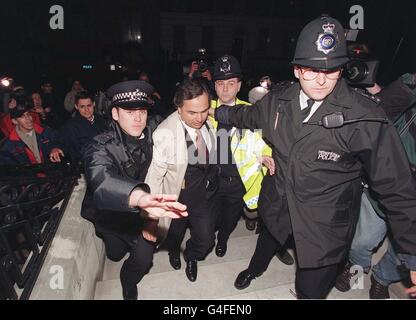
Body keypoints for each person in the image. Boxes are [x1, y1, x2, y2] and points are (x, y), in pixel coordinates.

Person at [211, 14, 416, 299]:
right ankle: (255, 269)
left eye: (331, 70)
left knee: (310, 291)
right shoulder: (276, 102)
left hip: (324, 225)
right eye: (310, 69)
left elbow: (396, 187)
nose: (321, 79)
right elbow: (246, 115)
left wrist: (412, 252)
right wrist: (217, 112)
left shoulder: (364, 117)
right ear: (296, 70)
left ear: (341, 70)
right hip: (278, 204)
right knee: (265, 245)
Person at [83, 80, 188, 300]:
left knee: (142, 260)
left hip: (144, 216)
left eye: (141, 111)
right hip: (112, 215)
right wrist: (138, 197)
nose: (138, 118)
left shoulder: (156, 128)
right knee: (114, 253)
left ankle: (128, 282)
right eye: (130, 112)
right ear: (114, 114)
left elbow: (182, 120)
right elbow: (101, 179)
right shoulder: (100, 145)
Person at [335, 73, 416, 299]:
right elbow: (387, 103)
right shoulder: (409, 98)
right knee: (362, 241)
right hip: (388, 186)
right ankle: (357, 270)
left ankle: (381, 279)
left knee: (404, 252)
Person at [208, 54, 293, 264]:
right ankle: (210, 238)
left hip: (238, 181)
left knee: (229, 220)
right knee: (209, 222)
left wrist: (267, 154)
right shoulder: (202, 108)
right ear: (214, 86)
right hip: (210, 180)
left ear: (239, 86)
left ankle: (223, 241)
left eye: (231, 83)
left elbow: (267, 139)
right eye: (220, 83)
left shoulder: (251, 111)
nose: (225, 89)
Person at [145, 79, 218, 282]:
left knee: (206, 240)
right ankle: (173, 251)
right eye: (192, 113)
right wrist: (151, 217)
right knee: (174, 234)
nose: (199, 118)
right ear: (178, 108)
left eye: (204, 110)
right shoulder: (164, 134)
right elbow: (155, 178)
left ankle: (191, 256)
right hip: (177, 197)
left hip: (202, 195)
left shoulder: (208, 123)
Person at [60, 90, 107, 165]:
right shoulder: (70, 127)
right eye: (82, 107)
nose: (86, 110)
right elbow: (73, 154)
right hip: (86, 167)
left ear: (94, 104)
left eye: (89, 105)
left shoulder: (103, 121)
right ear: (76, 107)